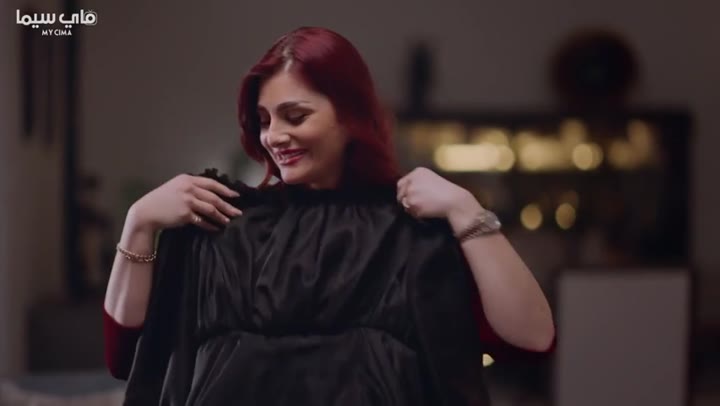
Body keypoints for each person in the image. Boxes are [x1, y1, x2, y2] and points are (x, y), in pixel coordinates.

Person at [103, 26, 555, 405]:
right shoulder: (219, 220)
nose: (273, 137)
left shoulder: (409, 231)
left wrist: (465, 210)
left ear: (350, 117)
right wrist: (139, 222)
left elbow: (532, 340)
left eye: (295, 116)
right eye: (264, 120)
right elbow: (126, 357)